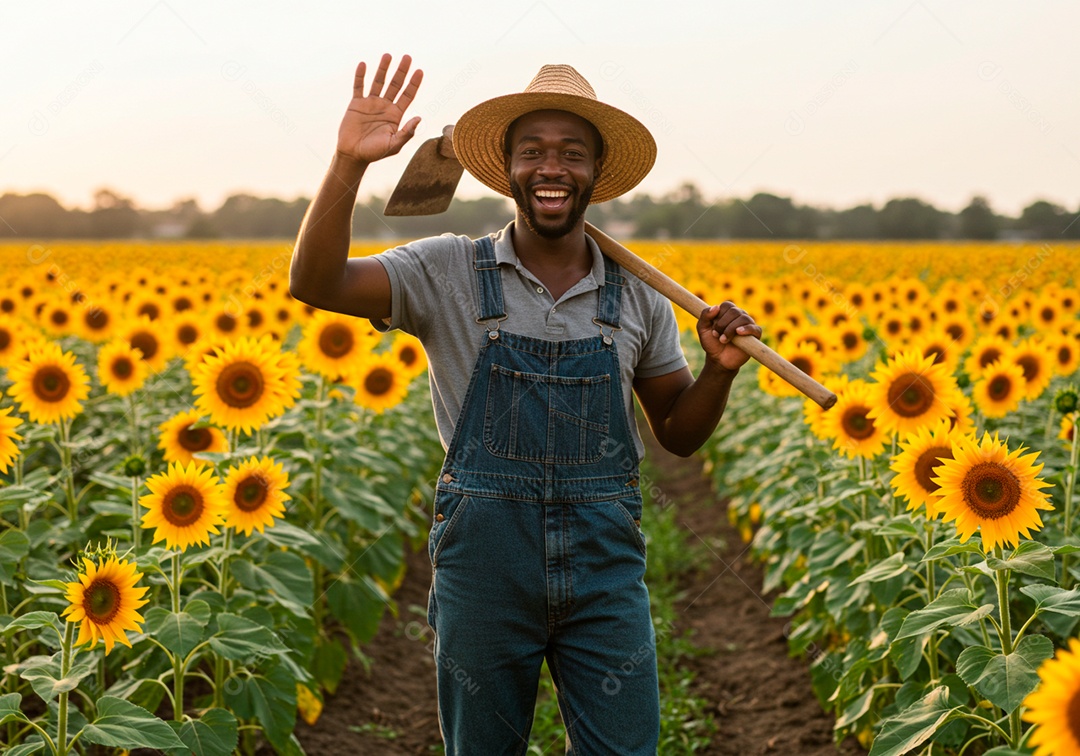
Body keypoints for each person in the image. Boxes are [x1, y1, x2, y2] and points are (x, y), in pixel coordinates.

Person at [289, 53, 762, 755]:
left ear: (595, 174)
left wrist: (720, 372)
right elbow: (316, 280)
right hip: (484, 565)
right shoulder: (444, 269)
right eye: (533, 151)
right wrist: (348, 162)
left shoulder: (635, 295)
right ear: (505, 167)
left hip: (604, 567)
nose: (552, 168)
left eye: (572, 154)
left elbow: (678, 435)